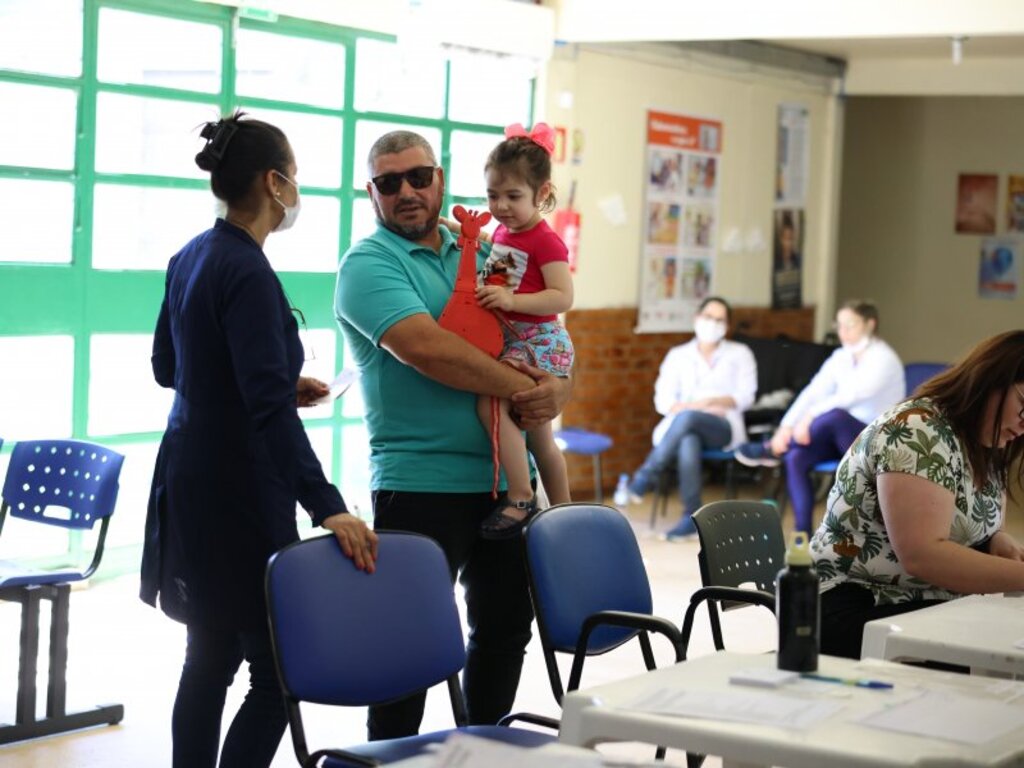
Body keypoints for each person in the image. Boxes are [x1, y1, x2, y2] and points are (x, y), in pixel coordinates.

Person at [140, 112, 378, 768]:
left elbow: (169, 368)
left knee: (207, 659)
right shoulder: (247, 271)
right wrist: (326, 503)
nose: (296, 189)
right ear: (275, 183)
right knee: (276, 678)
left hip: (188, 478)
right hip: (239, 489)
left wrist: (267, 377)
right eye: (294, 177)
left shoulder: (189, 256)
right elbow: (269, 416)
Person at [334, 130, 571, 739]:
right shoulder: (368, 264)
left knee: (504, 632)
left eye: (419, 177)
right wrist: (526, 389)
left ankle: (481, 749)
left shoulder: (485, 246)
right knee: (407, 648)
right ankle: (392, 756)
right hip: (419, 484)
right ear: (372, 194)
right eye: (389, 183)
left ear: (439, 180)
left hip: (502, 484)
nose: (407, 192)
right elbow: (430, 351)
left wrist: (559, 387)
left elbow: (537, 326)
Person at [810, 330, 1024, 660]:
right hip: (852, 603)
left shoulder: (981, 440)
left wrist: (992, 540)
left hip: (917, 602)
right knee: (995, 657)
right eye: (1023, 405)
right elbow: (924, 555)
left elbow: (953, 522)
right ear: (989, 380)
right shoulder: (916, 430)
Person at [466, 122, 574, 538]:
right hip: (519, 339)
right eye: (493, 195)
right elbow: (497, 258)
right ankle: (565, 512)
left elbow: (562, 297)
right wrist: (458, 230)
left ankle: (521, 495)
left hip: (538, 340)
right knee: (539, 434)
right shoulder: (504, 232)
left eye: (513, 196)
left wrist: (512, 302)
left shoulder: (545, 241)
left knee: (489, 406)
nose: (501, 206)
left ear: (542, 194)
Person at [735, 300, 905, 534]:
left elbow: (848, 397)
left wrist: (809, 418)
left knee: (836, 416)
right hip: (838, 440)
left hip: (873, 441)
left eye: (850, 325)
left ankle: (771, 449)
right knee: (796, 457)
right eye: (839, 325)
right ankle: (802, 535)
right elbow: (813, 391)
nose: (843, 332)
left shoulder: (884, 359)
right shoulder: (840, 356)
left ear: (870, 324)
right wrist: (786, 426)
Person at [626, 296, 757, 539]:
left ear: (727, 326)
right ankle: (692, 517)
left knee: (689, 420)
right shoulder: (678, 355)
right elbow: (662, 400)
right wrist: (689, 407)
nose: (713, 323)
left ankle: (646, 476)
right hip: (683, 425)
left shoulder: (740, 353)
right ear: (697, 319)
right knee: (689, 435)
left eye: (719, 320)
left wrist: (712, 402)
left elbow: (747, 396)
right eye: (708, 317)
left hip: (722, 426)